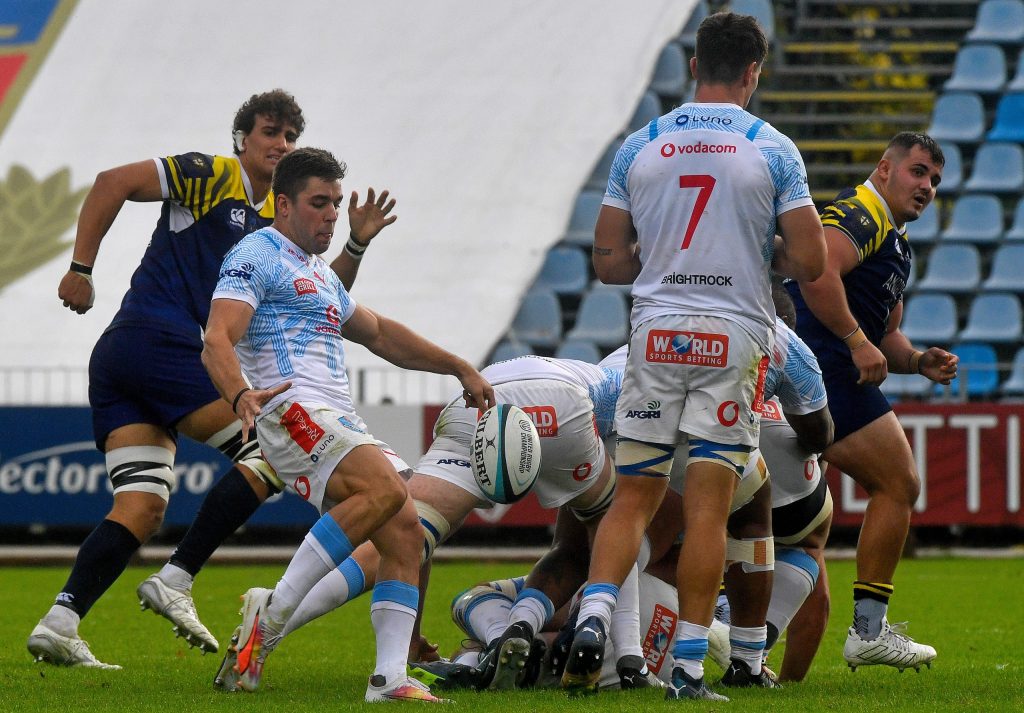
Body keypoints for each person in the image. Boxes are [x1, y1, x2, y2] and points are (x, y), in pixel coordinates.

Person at [28, 89, 397, 669]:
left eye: (290, 137)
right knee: (272, 449)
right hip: (162, 343)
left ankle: (62, 618)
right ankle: (176, 577)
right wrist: (81, 267)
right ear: (241, 139)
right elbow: (110, 181)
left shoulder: (275, 225)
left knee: (142, 506)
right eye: (270, 133)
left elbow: (321, 296)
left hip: (128, 358)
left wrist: (354, 242)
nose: (282, 145)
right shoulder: (208, 174)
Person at [562, 11, 826, 701]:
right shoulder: (773, 147)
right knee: (709, 510)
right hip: (732, 336)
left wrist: (668, 254)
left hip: (653, 333)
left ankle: (593, 618)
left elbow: (610, 262)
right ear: (753, 74)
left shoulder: (641, 145)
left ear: (691, 67)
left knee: (636, 495)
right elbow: (810, 257)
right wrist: (756, 247)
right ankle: (684, 668)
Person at [202, 146, 493, 703]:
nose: (332, 213)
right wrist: (238, 393)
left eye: (336, 202)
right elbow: (216, 337)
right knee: (384, 489)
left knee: (407, 529)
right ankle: (273, 613)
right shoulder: (256, 253)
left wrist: (457, 364)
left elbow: (381, 334)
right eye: (320, 203)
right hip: (291, 409)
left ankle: (388, 679)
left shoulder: (319, 274)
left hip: (336, 415)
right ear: (281, 205)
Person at [212, 348, 644, 692]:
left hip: (478, 400)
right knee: (607, 529)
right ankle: (625, 661)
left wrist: (415, 632)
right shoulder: (650, 372)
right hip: (563, 412)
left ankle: (269, 627)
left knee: (404, 537)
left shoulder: (601, 360)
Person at [785, 132, 957, 672]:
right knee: (899, 482)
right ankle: (868, 632)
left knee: (793, 526)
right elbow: (818, 276)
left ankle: (724, 628)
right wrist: (857, 342)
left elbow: (888, 340)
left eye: (934, 178)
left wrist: (916, 361)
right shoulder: (862, 213)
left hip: (816, 369)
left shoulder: (896, 242)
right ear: (885, 169)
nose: (927, 185)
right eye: (918, 171)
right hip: (822, 369)